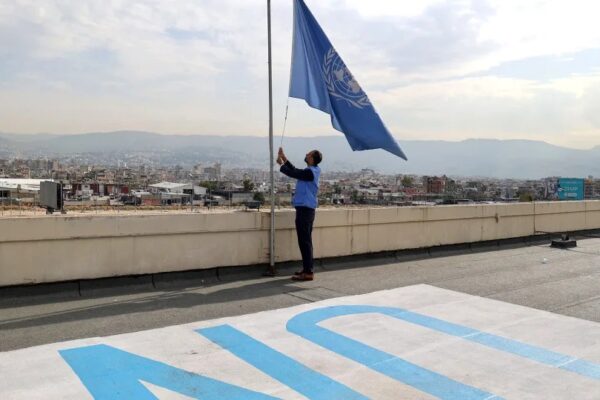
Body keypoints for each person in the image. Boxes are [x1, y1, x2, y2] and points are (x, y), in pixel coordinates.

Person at [277, 147, 322, 281]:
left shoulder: (310, 172)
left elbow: (295, 173)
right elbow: (296, 170)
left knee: (305, 241)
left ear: (312, 159)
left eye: (308, 154)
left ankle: (308, 272)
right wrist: (284, 158)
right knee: (305, 241)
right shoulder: (312, 171)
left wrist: (281, 165)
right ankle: (307, 268)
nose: (306, 154)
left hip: (305, 209)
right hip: (306, 208)